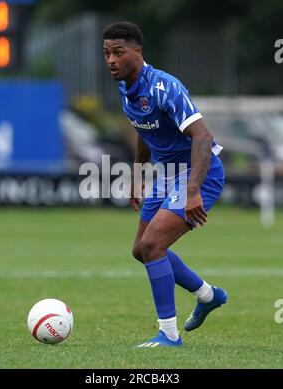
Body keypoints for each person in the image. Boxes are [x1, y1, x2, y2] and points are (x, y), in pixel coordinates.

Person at [102, 21, 228, 348]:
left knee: (153, 246)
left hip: (199, 174)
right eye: (106, 54)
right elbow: (145, 130)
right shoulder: (125, 88)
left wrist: (192, 190)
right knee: (140, 250)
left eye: (118, 52)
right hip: (167, 175)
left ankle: (169, 335)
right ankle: (208, 295)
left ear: (137, 52)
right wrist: (137, 176)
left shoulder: (164, 87)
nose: (111, 60)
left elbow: (203, 137)